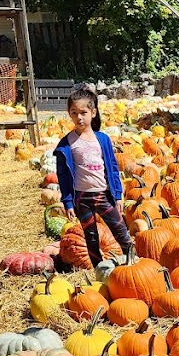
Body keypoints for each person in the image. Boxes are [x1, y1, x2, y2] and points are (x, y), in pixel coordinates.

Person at [54, 84, 133, 268]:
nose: (79, 117)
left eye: (83, 112)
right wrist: (67, 201)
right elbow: (63, 175)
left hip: (103, 194)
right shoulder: (67, 143)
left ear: (93, 113)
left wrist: (118, 194)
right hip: (81, 198)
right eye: (74, 113)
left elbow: (112, 168)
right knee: (90, 236)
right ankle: (99, 267)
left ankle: (132, 260)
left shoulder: (102, 139)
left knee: (119, 229)